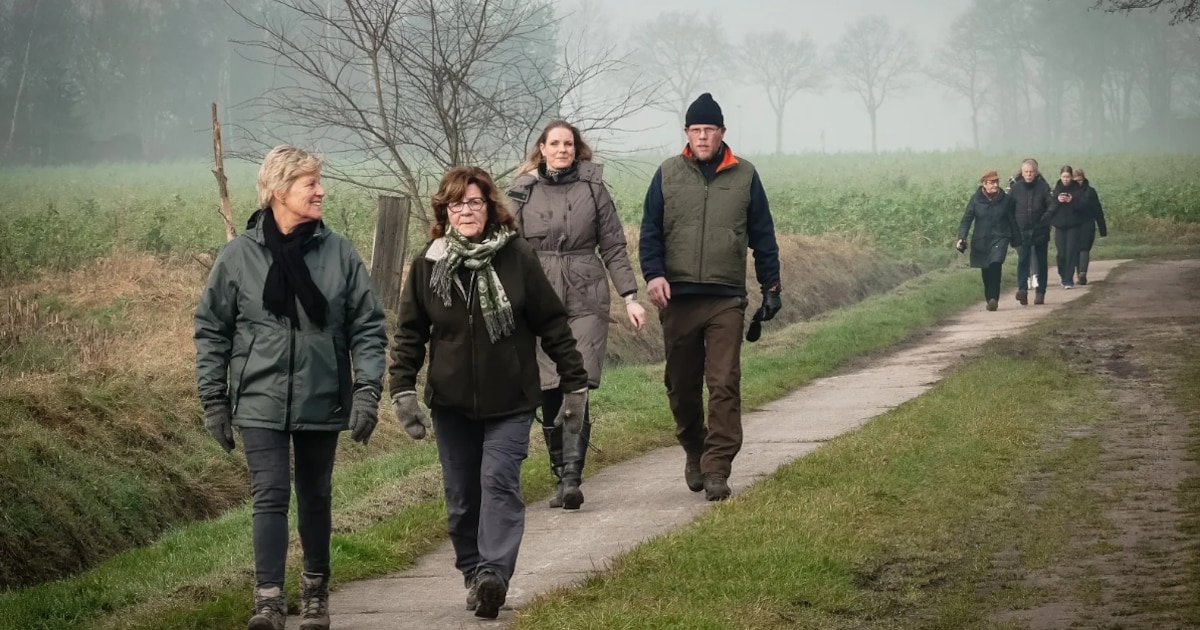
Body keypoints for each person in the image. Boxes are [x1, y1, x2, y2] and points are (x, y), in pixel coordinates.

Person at [194, 145, 388, 630]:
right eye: (311, 183)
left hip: (322, 392)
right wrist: (214, 398)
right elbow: (212, 329)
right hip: (259, 396)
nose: (321, 191)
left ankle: (316, 594)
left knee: (316, 494)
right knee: (270, 494)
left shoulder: (339, 253)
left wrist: (367, 389)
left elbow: (367, 326)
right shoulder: (238, 256)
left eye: (319, 182)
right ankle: (269, 601)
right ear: (279, 191)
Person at [388, 166, 588, 619]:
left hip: (511, 400)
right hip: (451, 403)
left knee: (498, 483)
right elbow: (410, 333)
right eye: (457, 204)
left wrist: (574, 384)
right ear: (444, 211)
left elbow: (553, 324)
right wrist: (402, 388)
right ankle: (473, 574)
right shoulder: (428, 263)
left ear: (490, 207)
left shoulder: (517, 257)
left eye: (475, 202)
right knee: (462, 499)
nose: (466, 211)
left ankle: (493, 574)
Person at [638, 92, 782, 502]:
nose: (703, 136)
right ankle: (694, 447)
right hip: (678, 297)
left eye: (710, 129)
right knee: (681, 386)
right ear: (686, 133)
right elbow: (650, 232)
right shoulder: (667, 174)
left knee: (724, 382)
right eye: (696, 130)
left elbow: (763, 236)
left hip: (725, 298)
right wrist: (654, 275)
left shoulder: (745, 175)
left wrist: (771, 286)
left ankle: (717, 467)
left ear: (722, 132)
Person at [508, 120, 646, 510]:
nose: (562, 150)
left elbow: (614, 246)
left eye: (568, 144)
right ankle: (560, 473)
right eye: (555, 143)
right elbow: (507, 248)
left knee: (576, 382)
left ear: (577, 148)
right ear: (542, 148)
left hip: (587, 295)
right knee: (549, 385)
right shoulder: (522, 191)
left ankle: (572, 475)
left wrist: (630, 297)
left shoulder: (593, 188)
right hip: (539, 296)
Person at [956, 170, 1021, 311]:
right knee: (986, 269)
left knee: (995, 264)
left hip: (1000, 237)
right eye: (991, 183)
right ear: (984, 184)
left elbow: (1012, 220)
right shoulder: (976, 199)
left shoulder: (1006, 200)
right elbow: (966, 219)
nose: (995, 185)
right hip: (981, 239)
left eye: (996, 182)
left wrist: (1016, 240)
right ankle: (989, 298)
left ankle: (993, 299)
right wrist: (961, 237)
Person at [1007, 158, 1055, 305]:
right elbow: (1008, 209)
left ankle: (1040, 292)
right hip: (1022, 231)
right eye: (1026, 172)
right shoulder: (1015, 189)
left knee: (1041, 263)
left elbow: (1052, 205)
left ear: (1036, 172)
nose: (1029, 174)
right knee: (1023, 260)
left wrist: (1046, 217)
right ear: (1022, 173)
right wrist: (1011, 228)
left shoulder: (1043, 187)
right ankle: (1022, 291)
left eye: (1031, 172)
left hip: (1040, 230)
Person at [1070, 167, 1107, 285]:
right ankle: (1081, 273)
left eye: (1079, 180)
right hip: (1079, 224)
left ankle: (1081, 274)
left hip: (1084, 224)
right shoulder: (1089, 191)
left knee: (1082, 249)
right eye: (1076, 181)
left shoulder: (1086, 192)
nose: (1078, 183)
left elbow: (1098, 210)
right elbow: (1098, 211)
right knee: (1081, 249)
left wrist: (1102, 228)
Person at [1050, 165, 1085, 289]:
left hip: (1073, 225)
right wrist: (1058, 199)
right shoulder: (1056, 189)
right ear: (1060, 177)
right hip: (1060, 226)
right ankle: (1062, 275)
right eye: (1063, 177)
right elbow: (1051, 206)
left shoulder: (1077, 189)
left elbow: (1082, 206)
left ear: (1071, 177)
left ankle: (1068, 279)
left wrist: (1072, 201)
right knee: (1061, 253)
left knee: (1071, 252)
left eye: (1068, 177)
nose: (1065, 179)